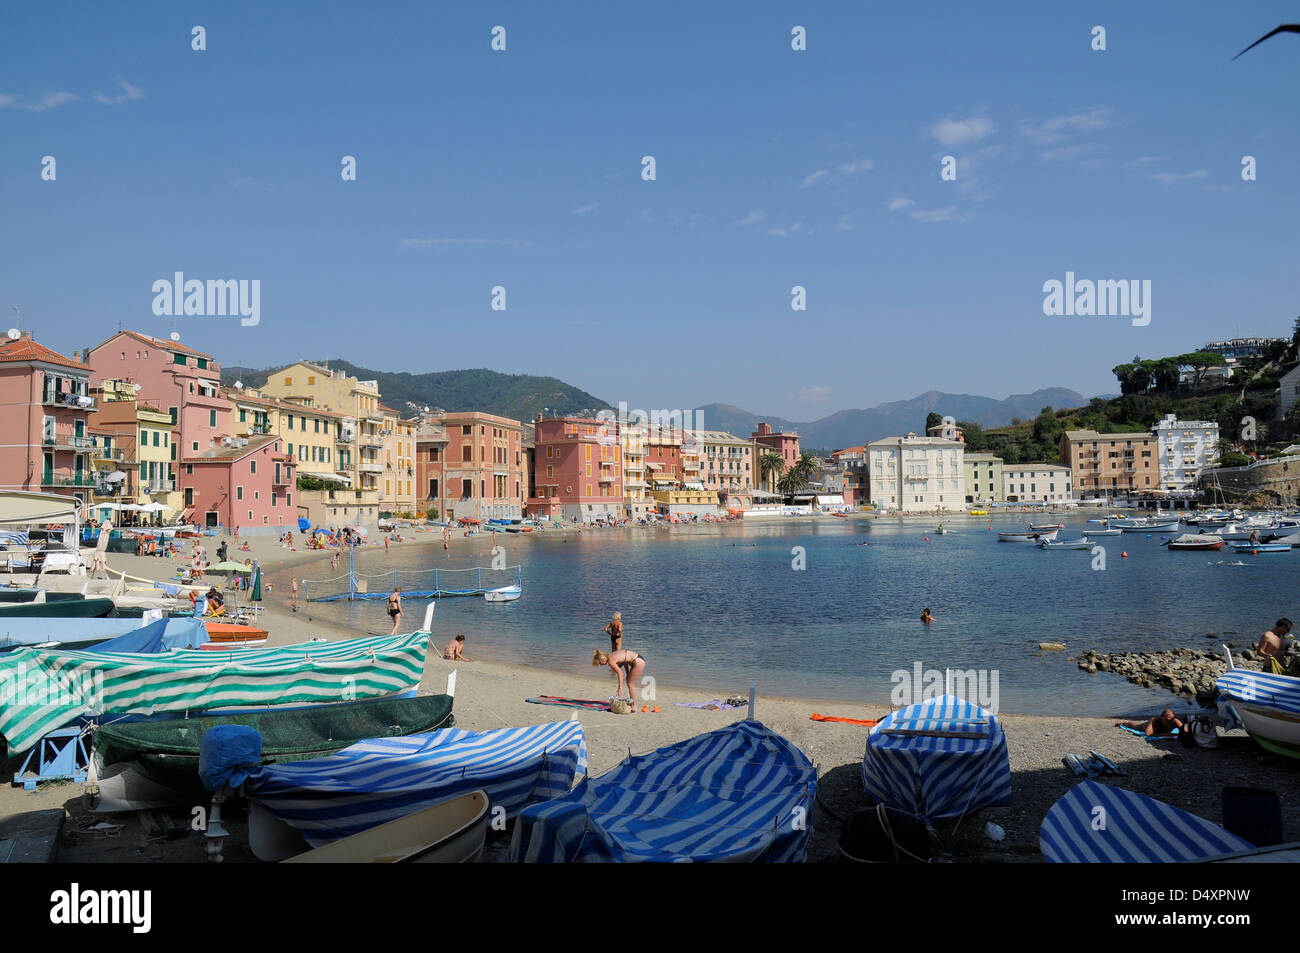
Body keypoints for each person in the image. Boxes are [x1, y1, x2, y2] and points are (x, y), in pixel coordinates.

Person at [1116, 709, 1184, 736]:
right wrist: (1168, 734)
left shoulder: (1174, 721)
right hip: (1145, 726)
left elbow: (1186, 731)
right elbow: (1148, 734)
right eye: (1166, 719)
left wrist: (1178, 723)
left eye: (1170, 720)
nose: (1168, 721)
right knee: (1134, 726)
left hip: (1159, 731)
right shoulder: (1155, 721)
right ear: (1161, 717)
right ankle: (1124, 723)